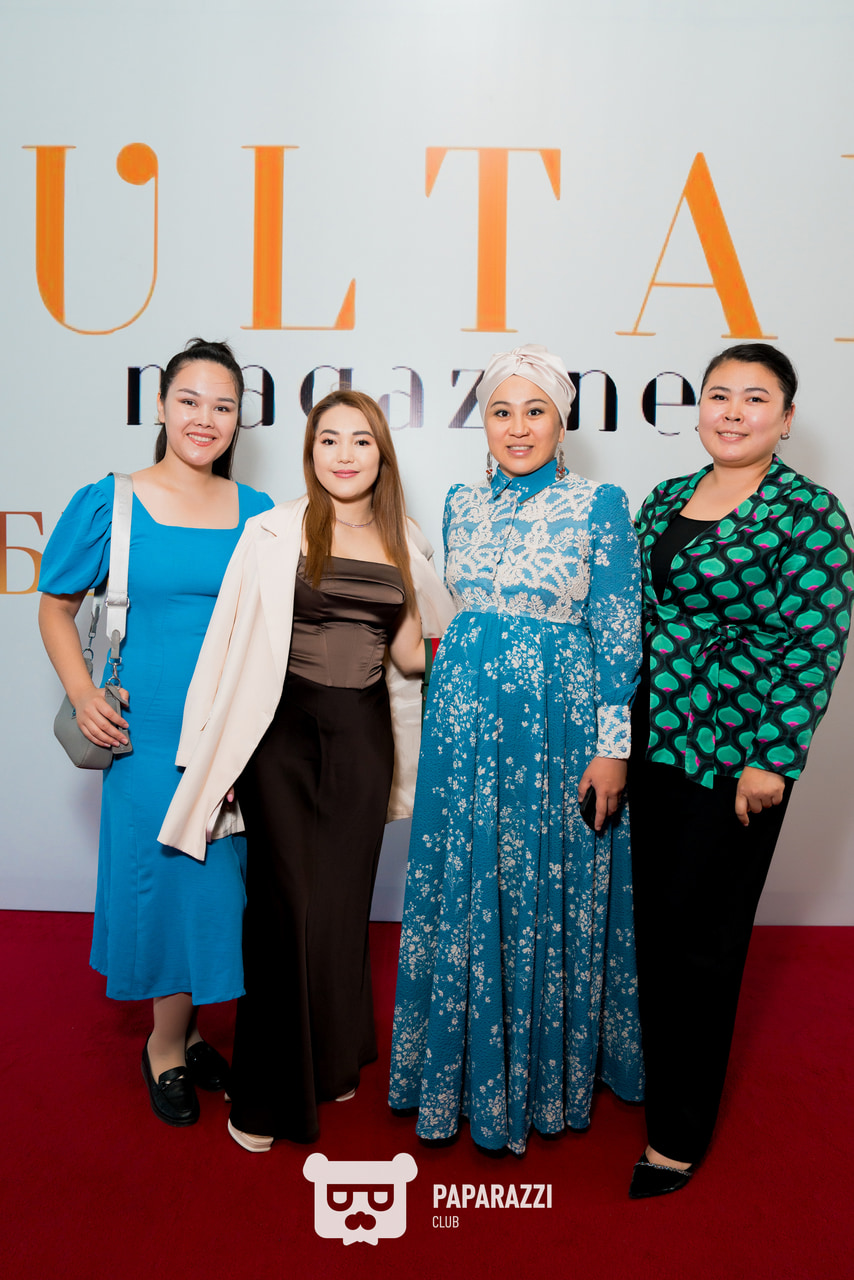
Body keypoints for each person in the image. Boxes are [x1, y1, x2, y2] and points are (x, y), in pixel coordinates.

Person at [158, 389, 455, 1151]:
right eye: (329, 439)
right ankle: (262, 1099)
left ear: (382, 455)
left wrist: (487, 644)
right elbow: (225, 642)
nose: (344, 454)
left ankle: (330, 1058)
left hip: (363, 739)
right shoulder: (270, 530)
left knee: (341, 907)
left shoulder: (405, 538)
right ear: (310, 450)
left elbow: (412, 653)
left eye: (361, 440)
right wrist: (208, 750)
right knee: (283, 910)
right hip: (280, 738)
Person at [388, 344, 644, 1156]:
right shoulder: (461, 504)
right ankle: (455, 1071)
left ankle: (540, 1080)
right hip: (462, 726)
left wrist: (613, 748)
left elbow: (619, 630)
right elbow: (451, 618)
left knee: (542, 881)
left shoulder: (600, 503)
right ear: (485, 422)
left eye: (536, 411)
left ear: (562, 421)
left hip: (556, 730)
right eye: (502, 411)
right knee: (464, 877)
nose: (518, 427)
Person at [627, 342, 854, 1198]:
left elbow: (814, 644)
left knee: (704, 940)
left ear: (786, 419)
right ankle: (658, 1077)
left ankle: (677, 1136)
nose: (733, 411)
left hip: (735, 752)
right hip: (652, 738)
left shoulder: (811, 515)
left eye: (755, 398)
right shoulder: (664, 499)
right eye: (719, 394)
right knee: (654, 925)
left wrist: (773, 758)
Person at [38, 338, 274, 1126]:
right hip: (146, 737)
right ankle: (164, 1046)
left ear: (238, 420)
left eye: (223, 405)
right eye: (190, 400)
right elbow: (55, 607)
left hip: (230, 738)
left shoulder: (260, 513)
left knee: (218, 892)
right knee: (168, 883)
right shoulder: (111, 501)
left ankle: (192, 1032)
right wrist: (82, 693)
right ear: (162, 407)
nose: (205, 418)